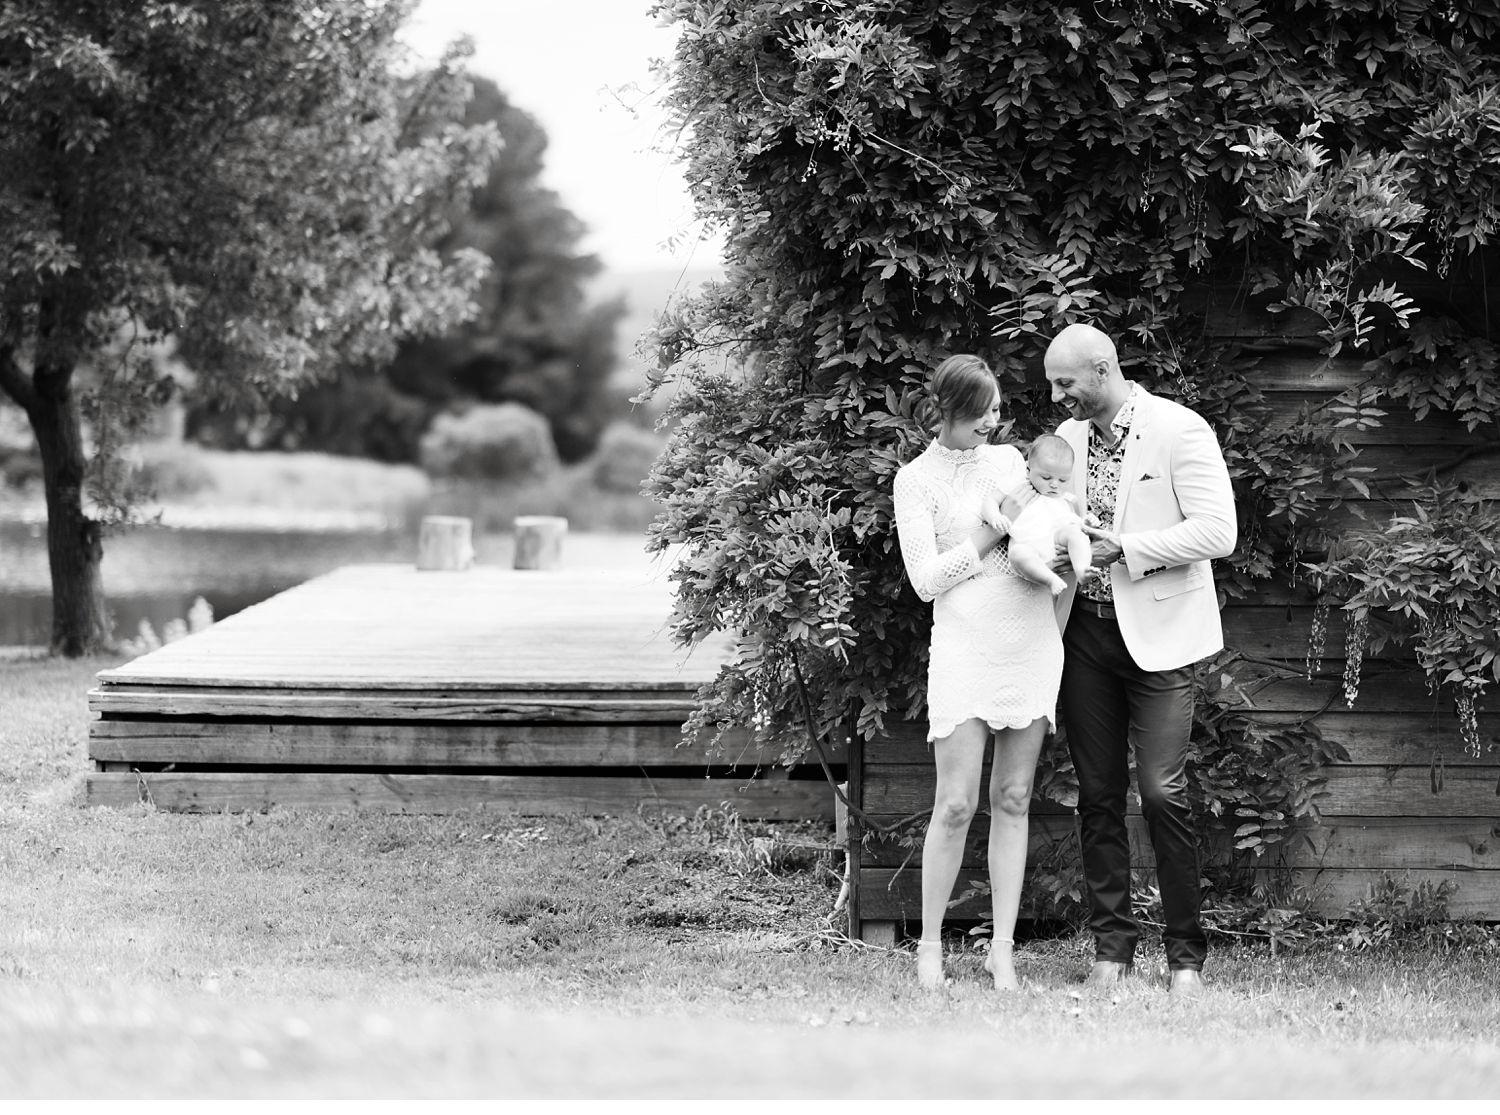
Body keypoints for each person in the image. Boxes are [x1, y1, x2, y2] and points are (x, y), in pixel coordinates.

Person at [1045, 322, 1237, 997]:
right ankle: (1112, 948)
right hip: (1084, 639)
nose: (1056, 393)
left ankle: (1185, 955)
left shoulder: (1179, 429)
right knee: (1097, 795)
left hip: (1162, 637)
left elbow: (1219, 531)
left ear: (1102, 368)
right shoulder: (1063, 441)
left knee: (1162, 790)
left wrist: (1123, 547)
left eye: (1064, 381)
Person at [892, 354, 1066, 991]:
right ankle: (931, 947)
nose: (995, 422)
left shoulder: (1009, 461)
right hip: (964, 647)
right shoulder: (915, 481)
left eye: (996, 411)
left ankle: (1002, 949)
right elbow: (925, 581)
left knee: (1014, 799)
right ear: (950, 414)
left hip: (1028, 640)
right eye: (983, 413)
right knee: (958, 802)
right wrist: (988, 540)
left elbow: (1039, 528)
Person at [983, 434, 1093, 597]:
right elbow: (990, 500)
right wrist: (995, 517)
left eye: (1063, 480)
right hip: (1028, 546)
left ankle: (1083, 569)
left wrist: (1086, 523)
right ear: (1028, 470)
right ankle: (1050, 579)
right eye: (1046, 477)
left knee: (1076, 535)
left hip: (1056, 540)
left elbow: (1072, 519)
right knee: (1018, 554)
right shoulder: (1018, 486)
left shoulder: (1065, 497)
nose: (1055, 484)